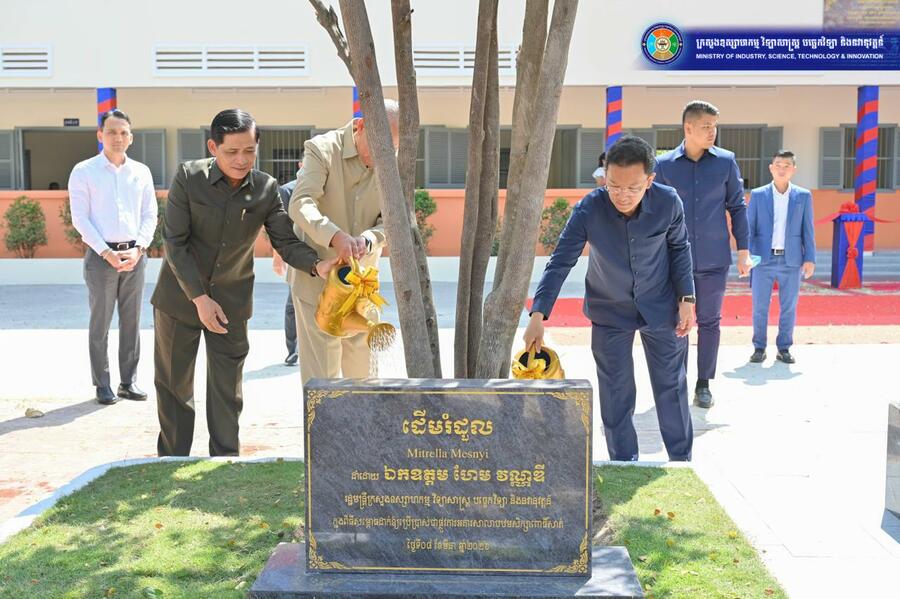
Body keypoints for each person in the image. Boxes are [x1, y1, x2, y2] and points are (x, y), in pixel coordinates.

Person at [151, 109, 333, 457]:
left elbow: (285, 241)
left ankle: (225, 461)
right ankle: (171, 459)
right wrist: (200, 299)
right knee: (174, 386)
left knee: (227, 390)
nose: (241, 160)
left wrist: (318, 265)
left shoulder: (265, 188)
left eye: (249, 150)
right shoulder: (189, 177)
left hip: (231, 303)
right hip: (179, 300)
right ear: (213, 147)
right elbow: (174, 243)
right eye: (232, 151)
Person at [525, 136, 696, 462]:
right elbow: (560, 261)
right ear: (605, 176)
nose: (622, 195)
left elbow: (679, 248)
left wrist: (686, 298)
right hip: (609, 309)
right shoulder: (589, 208)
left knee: (671, 386)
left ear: (650, 180)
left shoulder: (668, 203)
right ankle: (623, 461)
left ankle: (681, 460)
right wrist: (538, 315)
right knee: (615, 390)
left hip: (661, 306)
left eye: (633, 188)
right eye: (614, 186)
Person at [288, 99, 396, 385]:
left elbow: (395, 219)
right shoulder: (321, 149)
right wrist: (334, 236)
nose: (384, 159)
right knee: (322, 382)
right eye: (378, 149)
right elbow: (300, 203)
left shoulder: (393, 160)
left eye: (392, 149)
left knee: (365, 380)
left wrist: (369, 239)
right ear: (361, 126)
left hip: (363, 287)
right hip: (317, 283)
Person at [654, 100, 751, 409]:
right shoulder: (664, 165)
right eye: (706, 127)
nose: (713, 132)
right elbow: (652, 212)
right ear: (688, 128)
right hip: (672, 262)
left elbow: (737, 207)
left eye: (715, 127)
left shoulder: (726, 162)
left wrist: (744, 251)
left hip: (713, 258)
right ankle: (677, 381)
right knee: (676, 322)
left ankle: (703, 383)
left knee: (710, 321)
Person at [68, 109, 158, 405]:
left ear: (130, 137)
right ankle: (102, 384)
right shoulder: (84, 171)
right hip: (100, 257)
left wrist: (139, 248)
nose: (117, 138)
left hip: (135, 256)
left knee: (132, 322)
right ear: (100, 135)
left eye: (123, 132)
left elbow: (150, 214)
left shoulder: (141, 172)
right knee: (101, 324)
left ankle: (128, 382)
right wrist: (106, 252)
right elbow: (80, 218)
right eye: (111, 132)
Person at [748, 150, 816, 364]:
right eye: (778, 164)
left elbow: (808, 229)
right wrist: (747, 256)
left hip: (791, 260)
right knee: (760, 306)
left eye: (787, 165)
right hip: (763, 259)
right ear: (771, 168)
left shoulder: (803, 196)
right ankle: (759, 347)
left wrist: (810, 258)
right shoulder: (758, 195)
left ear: (793, 170)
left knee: (788, 307)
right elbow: (749, 229)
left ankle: (784, 348)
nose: (782, 169)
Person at [274, 161, 301, 366]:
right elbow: (279, 226)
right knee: (293, 304)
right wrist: (278, 256)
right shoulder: (287, 190)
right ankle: (293, 350)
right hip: (297, 254)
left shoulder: (328, 187)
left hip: (327, 253)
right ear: (300, 164)